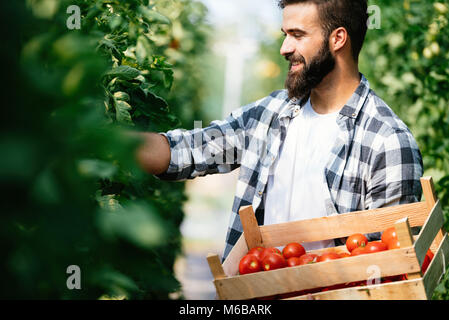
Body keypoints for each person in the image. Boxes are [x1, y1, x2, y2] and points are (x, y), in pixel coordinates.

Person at [135, 0, 423, 260]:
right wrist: (107, 142)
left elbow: (388, 264)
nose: (285, 48)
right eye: (285, 35)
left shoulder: (387, 142)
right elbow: (186, 151)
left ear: (338, 39)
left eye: (297, 35)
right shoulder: (270, 114)